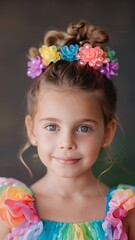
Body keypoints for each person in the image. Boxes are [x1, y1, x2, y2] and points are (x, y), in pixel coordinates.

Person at [0, 19, 135, 240]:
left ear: (108, 133)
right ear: (32, 130)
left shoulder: (125, 213)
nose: (67, 142)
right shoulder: (9, 210)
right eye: (52, 126)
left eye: (83, 128)